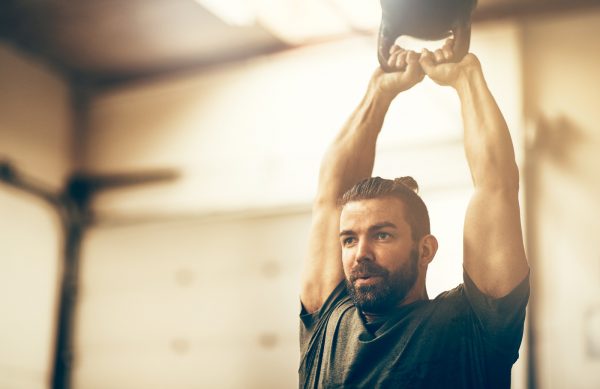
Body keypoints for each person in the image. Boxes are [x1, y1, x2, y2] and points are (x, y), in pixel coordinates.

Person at [299, 39, 530, 389]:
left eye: (382, 234)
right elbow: (330, 197)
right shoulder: (327, 323)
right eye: (349, 238)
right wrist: (379, 91)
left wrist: (467, 77)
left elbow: (496, 186)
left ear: (425, 250)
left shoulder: (472, 326)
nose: (360, 253)